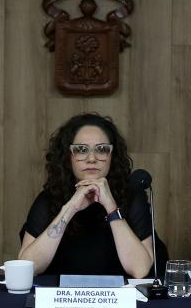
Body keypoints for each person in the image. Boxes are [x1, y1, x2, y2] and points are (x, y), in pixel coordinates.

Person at [19, 113, 163, 278]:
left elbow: (140, 270)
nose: (92, 158)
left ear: (112, 156)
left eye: (102, 149)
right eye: (81, 150)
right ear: (68, 157)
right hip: (64, 300)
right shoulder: (49, 198)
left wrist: (111, 207)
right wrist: (70, 208)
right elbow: (27, 268)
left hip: (117, 300)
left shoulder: (131, 196)